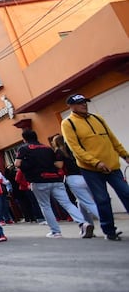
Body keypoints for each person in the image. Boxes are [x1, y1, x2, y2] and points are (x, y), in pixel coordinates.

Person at [60, 94, 129, 241]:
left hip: (112, 166)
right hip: (91, 169)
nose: (84, 105)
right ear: (71, 107)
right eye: (80, 103)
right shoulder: (68, 123)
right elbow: (75, 148)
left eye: (85, 102)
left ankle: (109, 230)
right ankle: (109, 231)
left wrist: (124, 154)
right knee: (102, 199)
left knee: (126, 193)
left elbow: (112, 139)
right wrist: (95, 162)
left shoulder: (97, 118)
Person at [15, 128, 89, 238]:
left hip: (38, 180)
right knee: (67, 203)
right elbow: (57, 163)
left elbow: (17, 163)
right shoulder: (47, 148)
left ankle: (55, 231)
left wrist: (29, 165)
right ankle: (83, 222)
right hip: (55, 178)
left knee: (45, 206)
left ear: (24, 139)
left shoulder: (24, 148)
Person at [50, 133, 99, 234]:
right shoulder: (73, 148)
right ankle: (87, 226)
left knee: (89, 203)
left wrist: (51, 163)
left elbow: (60, 165)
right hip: (85, 176)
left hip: (73, 178)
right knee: (81, 202)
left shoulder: (59, 151)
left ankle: (108, 223)